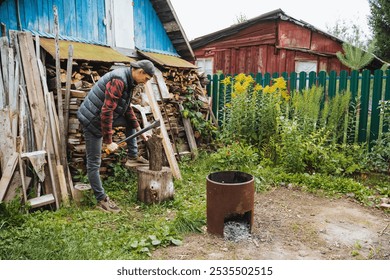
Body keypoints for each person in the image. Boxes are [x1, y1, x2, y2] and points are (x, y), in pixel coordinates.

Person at [77, 59, 156, 213]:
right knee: (94, 163)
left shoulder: (129, 80)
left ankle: (133, 156)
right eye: (146, 79)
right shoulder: (119, 80)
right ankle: (101, 199)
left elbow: (126, 109)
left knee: (129, 121)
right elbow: (106, 112)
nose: (145, 83)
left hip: (101, 116)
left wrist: (140, 130)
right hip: (92, 119)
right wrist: (108, 142)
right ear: (140, 72)